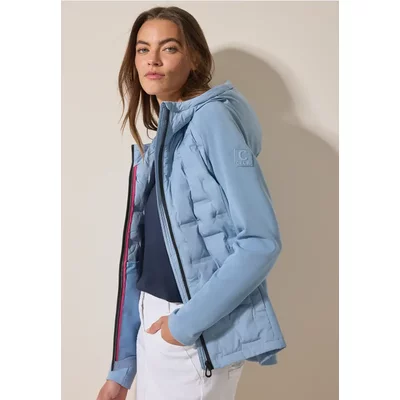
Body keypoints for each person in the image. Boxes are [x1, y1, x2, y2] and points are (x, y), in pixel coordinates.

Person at [96, 6, 286, 400]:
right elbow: (138, 257)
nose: (152, 59)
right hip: (155, 325)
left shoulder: (212, 120)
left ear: (194, 58)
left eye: (168, 48)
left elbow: (260, 241)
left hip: (192, 333)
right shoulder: (162, 141)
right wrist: (124, 367)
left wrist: (181, 328)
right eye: (143, 49)